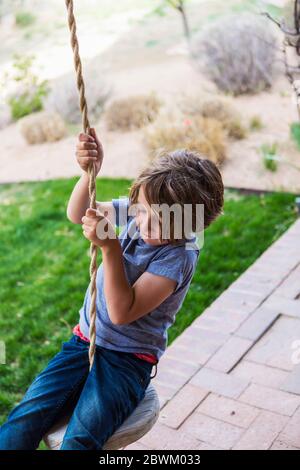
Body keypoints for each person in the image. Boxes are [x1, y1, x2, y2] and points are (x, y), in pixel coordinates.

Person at [0, 128, 224, 450]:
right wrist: (88, 175)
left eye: (160, 221)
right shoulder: (141, 211)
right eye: (142, 210)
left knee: (80, 440)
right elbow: (78, 214)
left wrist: (110, 249)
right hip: (84, 341)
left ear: (191, 224)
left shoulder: (177, 256)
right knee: (22, 422)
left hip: (127, 361)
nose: (144, 223)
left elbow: (122, 311)